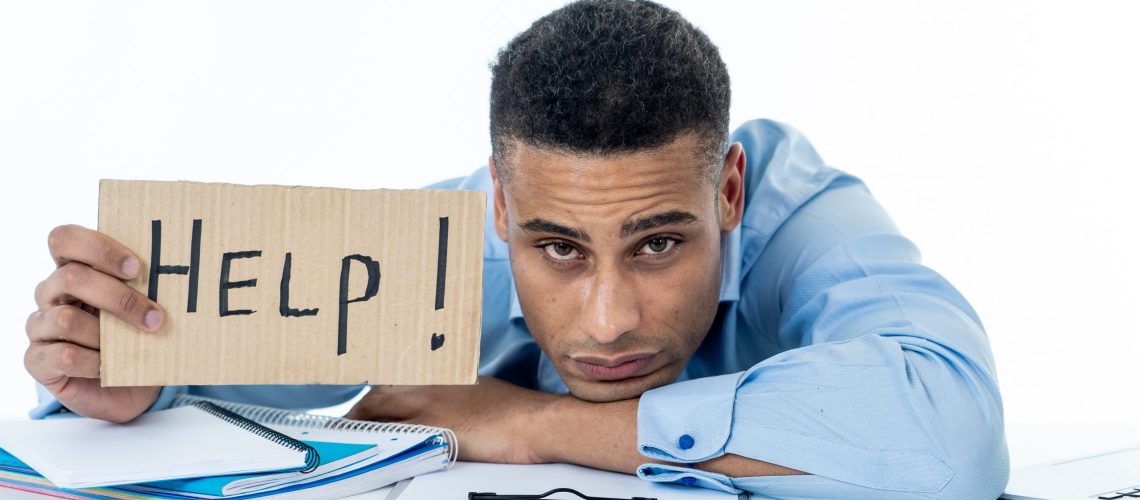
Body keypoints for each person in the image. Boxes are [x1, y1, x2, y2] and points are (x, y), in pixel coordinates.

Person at [23, 0, 1009, 497]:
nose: (610, 315)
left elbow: (951, 437)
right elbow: (186, 384)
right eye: (559, 248)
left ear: (731, 188)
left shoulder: (809, 221)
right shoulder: (427, 260)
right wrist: (133, 376)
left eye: (661, 241)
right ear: (499, 207)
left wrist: (524, 422)